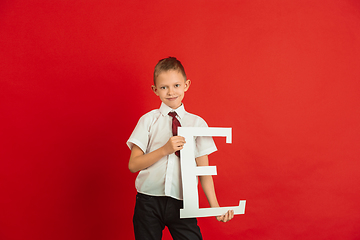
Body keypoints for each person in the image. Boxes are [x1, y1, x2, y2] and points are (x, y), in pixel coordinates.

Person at [127, 57, 234, 240]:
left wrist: (215, 207)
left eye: (176, 85)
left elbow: (203, 172)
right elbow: (133, 165)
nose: (171, 92)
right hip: (148, 202)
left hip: (183, 202)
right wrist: (164, 149)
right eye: (164, 87)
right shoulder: (148, 121)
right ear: (155, 90)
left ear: (186, 85)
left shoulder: (197, 123)